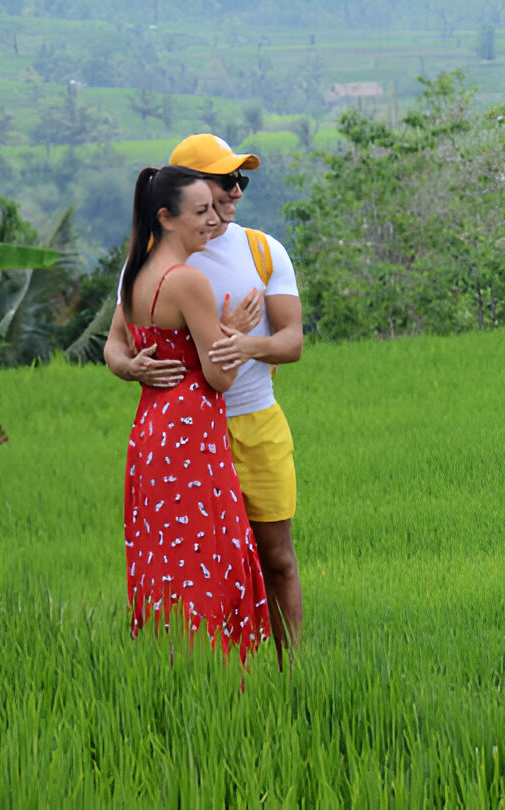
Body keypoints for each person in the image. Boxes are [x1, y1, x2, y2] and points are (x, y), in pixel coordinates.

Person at [105, 135, 304, 669]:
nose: (235, 192)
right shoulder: (158, 262)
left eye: (241, 180)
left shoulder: (263, 250)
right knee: (207, 559)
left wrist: (243, 342)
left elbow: (293, 342)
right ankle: (216, 670)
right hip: (195, 433)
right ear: (181, 195)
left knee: (274, 558)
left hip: (251, 424)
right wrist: (131, 366)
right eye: (223, 182)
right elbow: (115, 344)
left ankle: (292, 672)